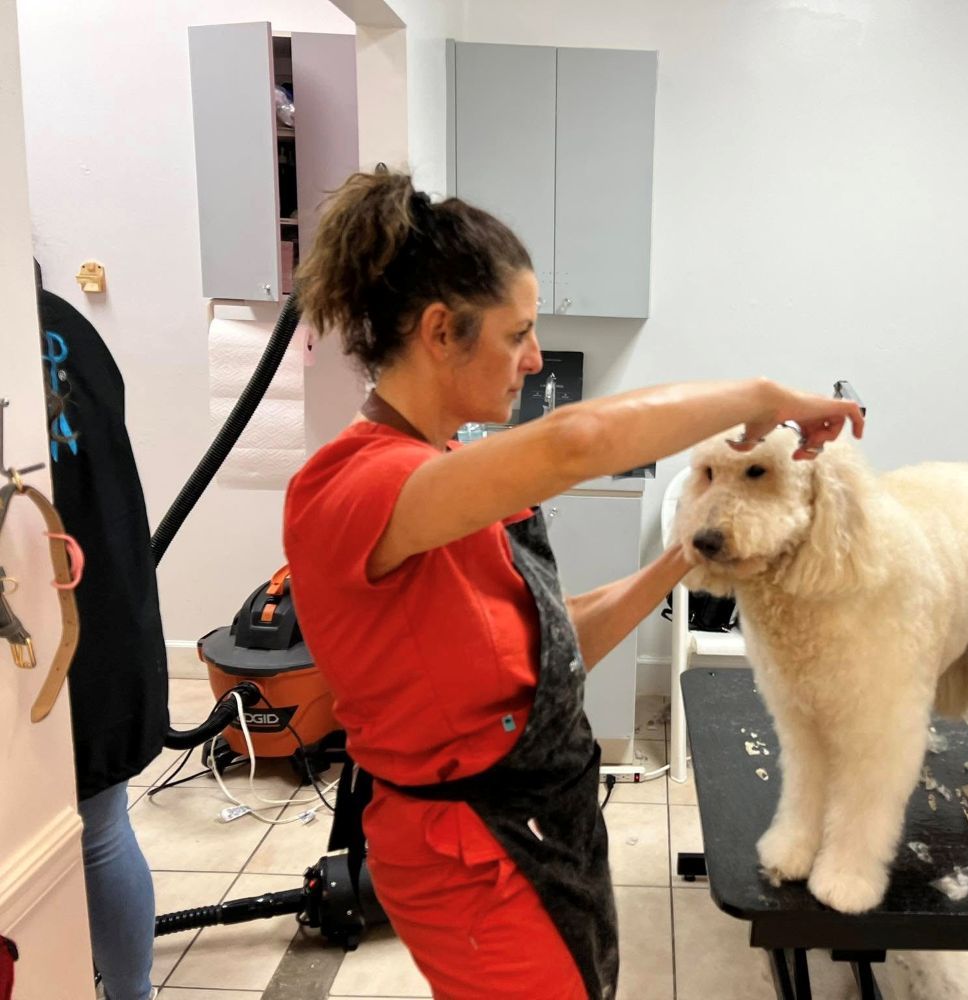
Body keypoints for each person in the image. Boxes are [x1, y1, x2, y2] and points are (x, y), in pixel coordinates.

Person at [282, 170, 863, 999]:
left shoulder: (443, 474)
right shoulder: (359, 488)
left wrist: (680, 561)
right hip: (467, 855)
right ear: (442, 331)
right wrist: (766, 399)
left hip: (535, 824)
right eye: (517, 332)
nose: (534, 357)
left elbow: (546, 653)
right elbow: (574, 441)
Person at [36, 262, 167, 1000]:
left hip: (55, 627)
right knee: (102, 827)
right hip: (110, 607)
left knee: (93, 832)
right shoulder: (71, 327)